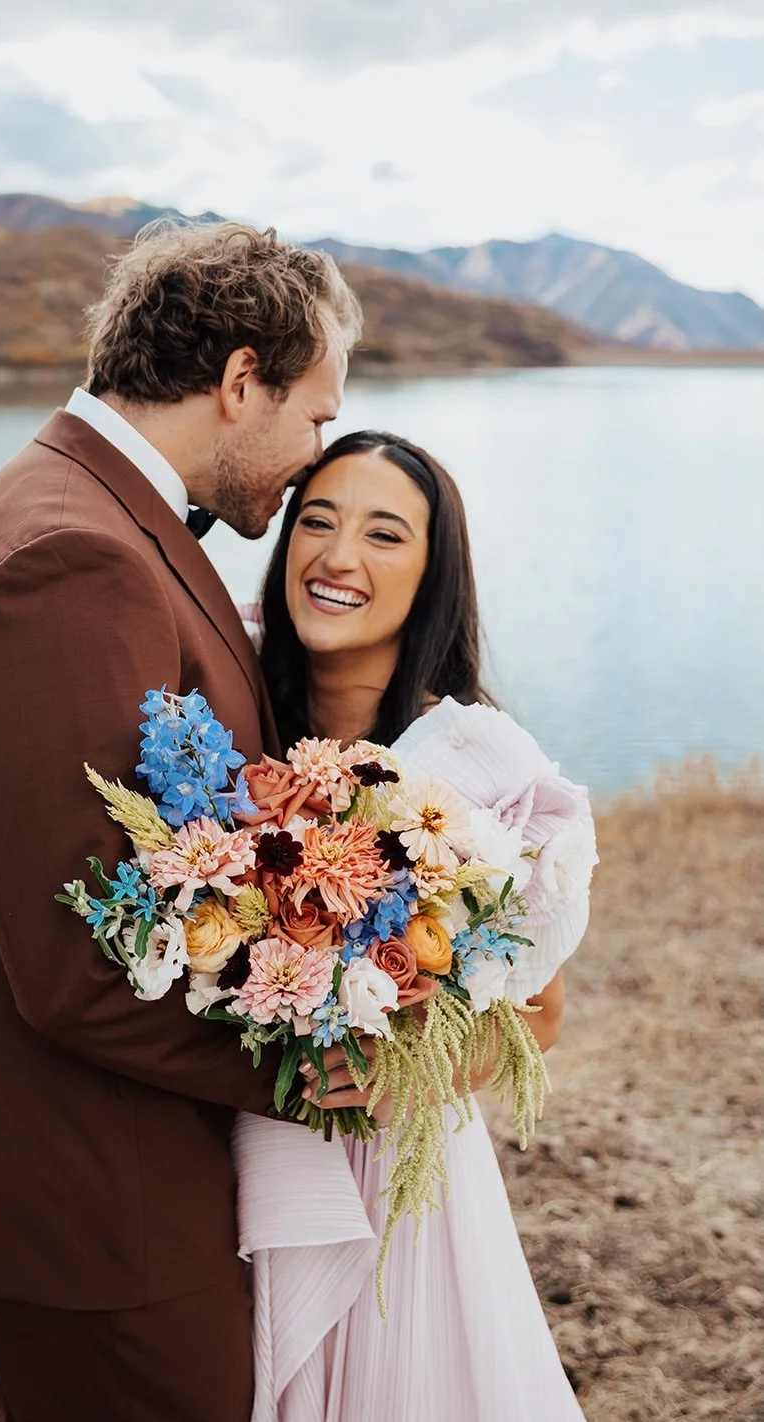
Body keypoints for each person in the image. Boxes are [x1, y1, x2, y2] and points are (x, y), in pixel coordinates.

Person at [0, 222, 363, 1422]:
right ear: (241, 380)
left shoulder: (89, 507)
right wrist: (329, 1064)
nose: (315, 455)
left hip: (118, 1155)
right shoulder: (67, 555)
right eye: (314, 416)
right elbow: (78, 961)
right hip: (94, 1181)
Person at [235, 430, 596, 1422]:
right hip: (217, 1147)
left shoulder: (472, 765)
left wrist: (410, 1076)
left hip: (390, 1177)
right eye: (316, 521)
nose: (337, 556)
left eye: (383, 534)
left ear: (432, 576)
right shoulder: (222, 707)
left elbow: (540, 1013)